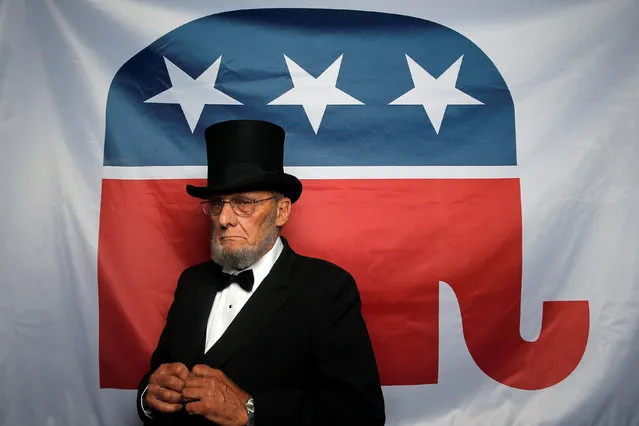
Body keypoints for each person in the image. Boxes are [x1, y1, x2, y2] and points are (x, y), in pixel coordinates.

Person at [136, 119, 386, 426]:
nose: (224, 218)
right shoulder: (192, 282)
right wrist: (150, 395)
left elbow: (362, 415)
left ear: (282, 211)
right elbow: (158, 380)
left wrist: (251, 410)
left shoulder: (327, 289)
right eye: (217, 204)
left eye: (243, 203)